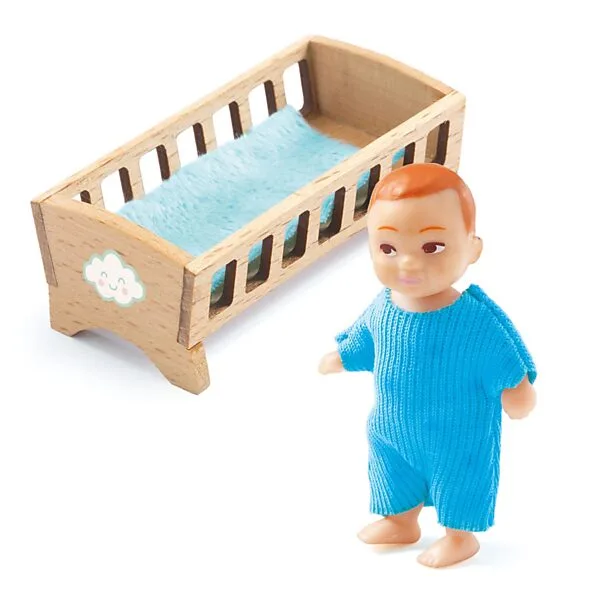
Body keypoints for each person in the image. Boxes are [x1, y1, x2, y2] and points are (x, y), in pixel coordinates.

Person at [319, 163, 537, 568]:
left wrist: (518, 391)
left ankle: (459, 536)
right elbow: (366, 339)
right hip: (391, 427)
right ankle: (401, 521)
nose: (407, 264)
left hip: (456, 433)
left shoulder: (474, 320)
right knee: (392, 472)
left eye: (432, 247)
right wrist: (341, 358)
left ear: (472, 248)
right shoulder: (384, 305)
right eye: (388, 248)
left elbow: (505, 360)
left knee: (461, 478)